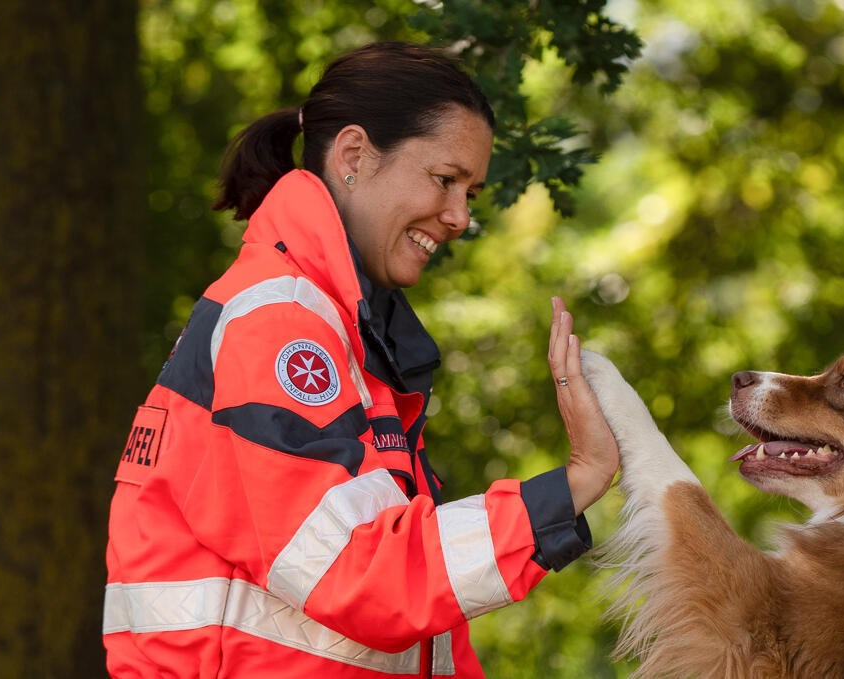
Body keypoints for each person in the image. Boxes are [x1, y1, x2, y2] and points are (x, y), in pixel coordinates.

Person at [102, 42, 620, 678]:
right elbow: (359, 574)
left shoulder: (341, 334)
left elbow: (418, 627)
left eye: (472, 192)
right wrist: (575, 483)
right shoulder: (282, 321)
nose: (459, 217)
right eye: (445, 180)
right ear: (353, 156)